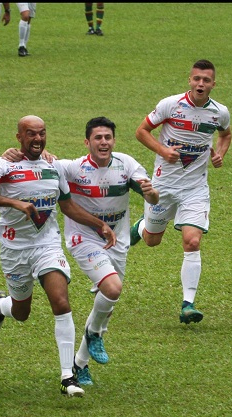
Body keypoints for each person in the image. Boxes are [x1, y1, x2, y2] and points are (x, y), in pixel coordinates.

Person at [0, 115, 117, 398]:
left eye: (42, 133)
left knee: (60, 301)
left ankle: (67, 376)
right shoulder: (4, 165)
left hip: (47, 246)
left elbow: (68, 206)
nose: (37, 139)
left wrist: (100, 225)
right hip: (14, 249)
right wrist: (13, 202)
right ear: (19, 137)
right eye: (31, 134)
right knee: (21, 313)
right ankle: (1, 306)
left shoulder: (52, 166)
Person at [131, 59, 232, 325]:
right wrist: (162, 150)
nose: (201, 84)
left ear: (213, 84)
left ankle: (188, 304)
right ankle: (141, 228)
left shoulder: (219, 112)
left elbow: (226, 135)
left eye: (206, 80)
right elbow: (141, 131)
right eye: (197, 79)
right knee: (153, 240)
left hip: (195, 188)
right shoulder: (171, 105)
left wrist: (219, 155)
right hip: (163, 186)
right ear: (189, 80)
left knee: (193, 241)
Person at [59, 117, 158, 386]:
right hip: (84, 237)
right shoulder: (73, 169)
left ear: (114, 140)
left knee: (107, 304)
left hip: (118, 240)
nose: (104, 142)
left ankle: (79, 364)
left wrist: (151, 195)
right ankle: (94, 334)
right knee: (112, 289)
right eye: (98, 138)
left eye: (108, 137)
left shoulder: (125, 164)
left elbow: (150, 196)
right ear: (87, 142)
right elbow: (40, 164)